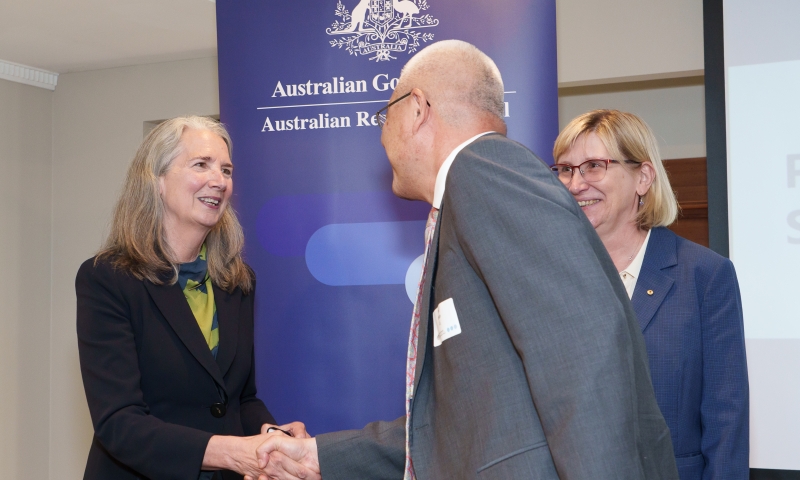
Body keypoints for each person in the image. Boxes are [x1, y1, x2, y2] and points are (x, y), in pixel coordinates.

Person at [254, 40, 678, 479]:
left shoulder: (485, 171)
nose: (381, 135)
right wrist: (319, 456)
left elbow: (584, 358)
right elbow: (458, 424)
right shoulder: (468, 189)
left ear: (417, 108)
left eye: (385, 115)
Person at [76, 116, 307, 480]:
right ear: (156, 181)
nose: (220, 181)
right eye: (201, 165)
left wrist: (271, 437)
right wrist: (231, 452)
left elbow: (240, 400)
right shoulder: (107, 279)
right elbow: (119, 423)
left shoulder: (238, 281)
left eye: (227, 170)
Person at [551, 109, 749, 479]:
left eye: (594, 166)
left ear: (642, 177)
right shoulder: (548, 277)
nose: (576, 184)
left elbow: (727, 420)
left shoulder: (704, 276)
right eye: (565, 169)